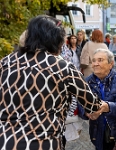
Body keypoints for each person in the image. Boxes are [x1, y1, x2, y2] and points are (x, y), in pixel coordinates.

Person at [0, 15, 101, 150]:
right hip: (44, 143)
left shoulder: (5, 63)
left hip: (5, 142)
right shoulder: (63, 67)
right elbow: (92, 104)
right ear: (55, 40)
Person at [78, 48, 116, 150]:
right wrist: (87, 113)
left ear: (111, 64)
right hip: (97, 132)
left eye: (100, 60)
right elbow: (80, 105)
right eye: (93, 60)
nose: (95, 64)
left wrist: (107, 107)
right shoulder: (86, 82)